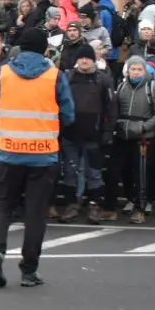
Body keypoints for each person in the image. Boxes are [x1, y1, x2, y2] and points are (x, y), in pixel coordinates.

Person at [0, 27, 74, 288]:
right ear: (44, 49)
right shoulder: (55, 76)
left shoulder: (4, 72)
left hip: (10, 151)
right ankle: (29, 270)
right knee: (35, 213)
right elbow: (69, 115)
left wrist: (1, 116)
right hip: (43, 155)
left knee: (3, 205)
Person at [53, 44, 115, 223]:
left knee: (94, 172)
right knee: (70, 171)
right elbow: (59, 103)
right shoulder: (67, 78)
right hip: (70, 133)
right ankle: (71, 205)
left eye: (87, 58)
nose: (84, 61)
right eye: (81, 58)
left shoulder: (103, 80)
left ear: (93, 60)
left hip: (94, 134)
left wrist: (108, 131)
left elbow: (111, 108)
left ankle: (94, 205)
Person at [105, 55, 155, 223]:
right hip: (122, 135)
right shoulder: (122, 86)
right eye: (133, 69)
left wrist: (145, 127)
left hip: (142, 137)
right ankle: (110, 208)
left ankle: (140, 208)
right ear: (128, 70)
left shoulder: (152, 87)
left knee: (141, 174)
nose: (136, 72)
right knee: (114, 172)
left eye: (139, 69)